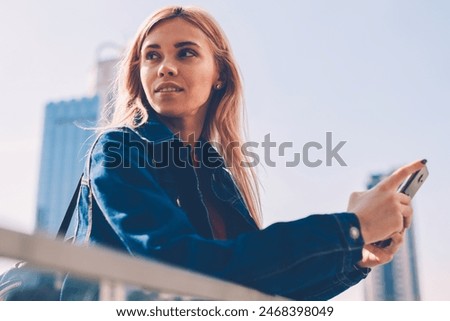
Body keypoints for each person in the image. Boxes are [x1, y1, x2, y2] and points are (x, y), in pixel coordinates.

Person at [65, 6, 425, 300]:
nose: (165, 67)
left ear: (219, 73)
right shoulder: (118, 150)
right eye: (151, 56)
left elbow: (259, 288)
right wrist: (349, 229)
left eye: (186, 52)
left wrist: (357, 258)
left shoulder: (217, 174)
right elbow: (181, 270)